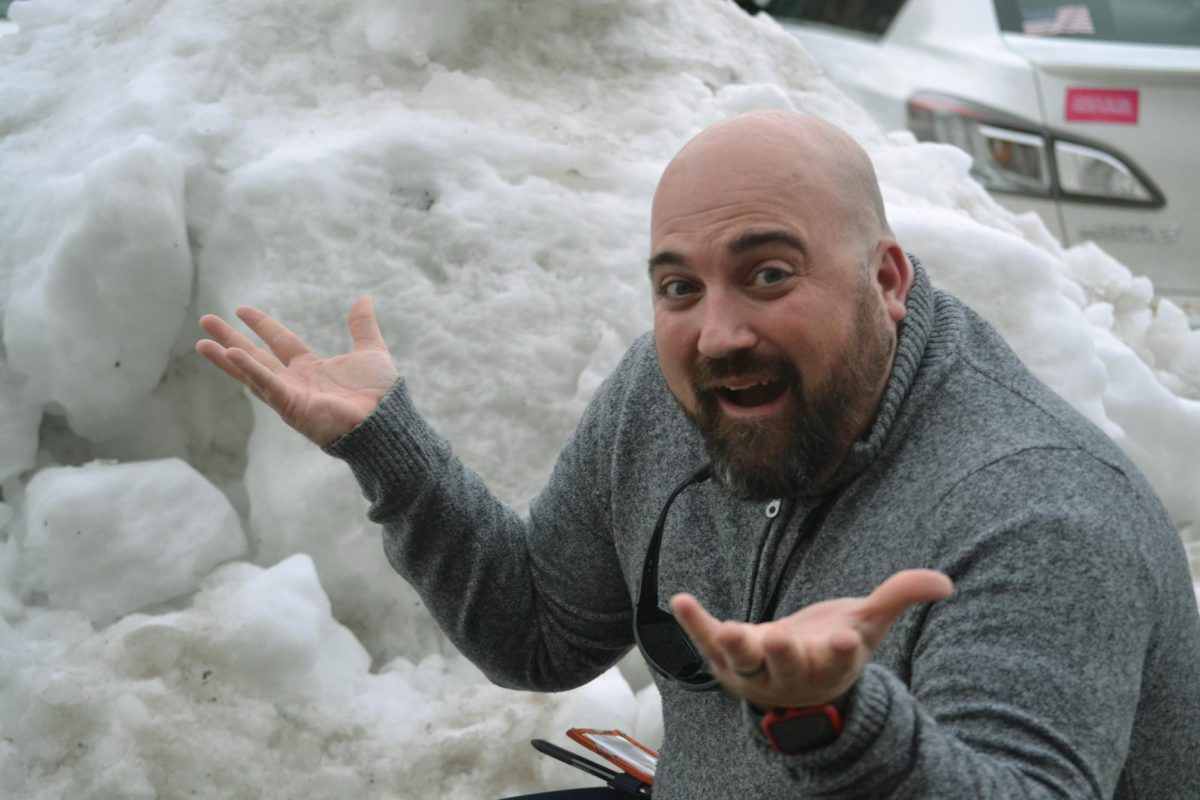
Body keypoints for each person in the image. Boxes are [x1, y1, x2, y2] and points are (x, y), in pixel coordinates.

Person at [196, 110, 1200, 799]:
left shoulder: (1037, 512)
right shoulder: (669, 399)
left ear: (886, 278)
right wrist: (392, 450)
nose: (718, 331)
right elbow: (539, 631)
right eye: (680, 286)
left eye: (768, 272)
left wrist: (836, 719)